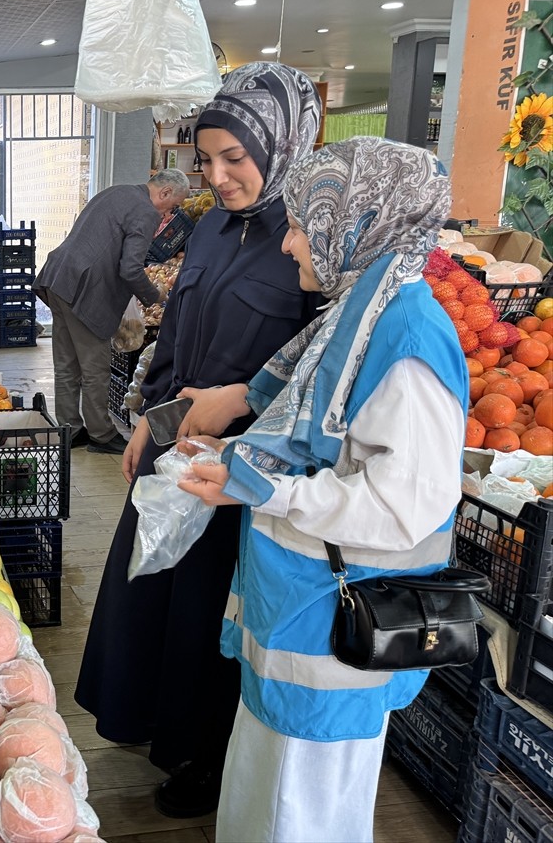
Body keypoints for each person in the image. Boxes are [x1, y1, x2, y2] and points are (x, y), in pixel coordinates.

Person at [178, 137, 466, 842]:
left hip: (336, 637)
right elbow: (316, 447)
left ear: (362, 221)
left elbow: (404, 508)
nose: (289, 245)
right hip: (301, 624)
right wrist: (236, 455)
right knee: (267, 801)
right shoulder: (357, 317)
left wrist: (265, 492)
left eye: (306, 223)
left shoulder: (407, 340)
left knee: (299, 816)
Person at [73, 62, 324, 819]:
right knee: (149, 588)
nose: (218, 176)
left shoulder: (311, 236)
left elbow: (320, 365)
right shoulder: (214, 225)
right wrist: (149, 417)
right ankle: (151, 721)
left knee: (206, 611)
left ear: (284, 144)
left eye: (234, 160)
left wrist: (241, 403)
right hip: (179, 442)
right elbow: (173, 331)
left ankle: (200, 756)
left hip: (249, 463)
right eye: (205, 161)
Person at [34, 169, 189, 453]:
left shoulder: (118, 190)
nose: (170, 214)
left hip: (59, 279)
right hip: (85, 292)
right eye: (174, 206)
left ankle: (70, 429)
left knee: (67, 365)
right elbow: (130, 268)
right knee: (95, 369)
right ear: (165, 193)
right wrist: (156, 295)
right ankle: (101, 435)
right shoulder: (146, 212)